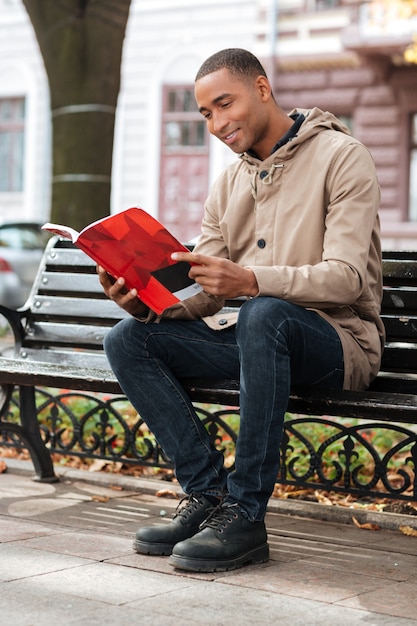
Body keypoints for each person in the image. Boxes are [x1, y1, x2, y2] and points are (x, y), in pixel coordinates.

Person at [99, 48, 384, 573]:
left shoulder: (343, 156)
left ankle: (247, 515)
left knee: (263, 313)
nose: (216, 123)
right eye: (206, 113)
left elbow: (347, 279)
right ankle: (207, 497)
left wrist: (252, 281)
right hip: (259, 338)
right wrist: (144, 300)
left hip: (339, 344)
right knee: (128, 339)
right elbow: (208, 293)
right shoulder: (229, 182)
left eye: (224, 104)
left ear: (261, 88)